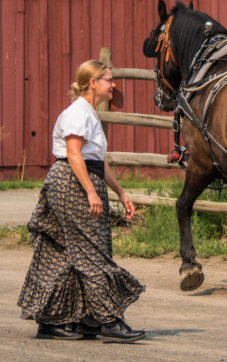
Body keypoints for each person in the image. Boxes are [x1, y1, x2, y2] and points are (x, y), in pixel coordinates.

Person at [19, 60, 146, 343]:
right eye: (109, 80)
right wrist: (90, 191)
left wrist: (120, 192)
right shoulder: (79, 112)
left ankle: (58, 321)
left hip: (79, 179)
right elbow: (74, 154)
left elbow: (97, 160)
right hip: (72, 182)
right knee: (92, 251)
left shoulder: (88, 113)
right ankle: (109, 321)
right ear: (93, 82)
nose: (113, 85)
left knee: (65, 253)